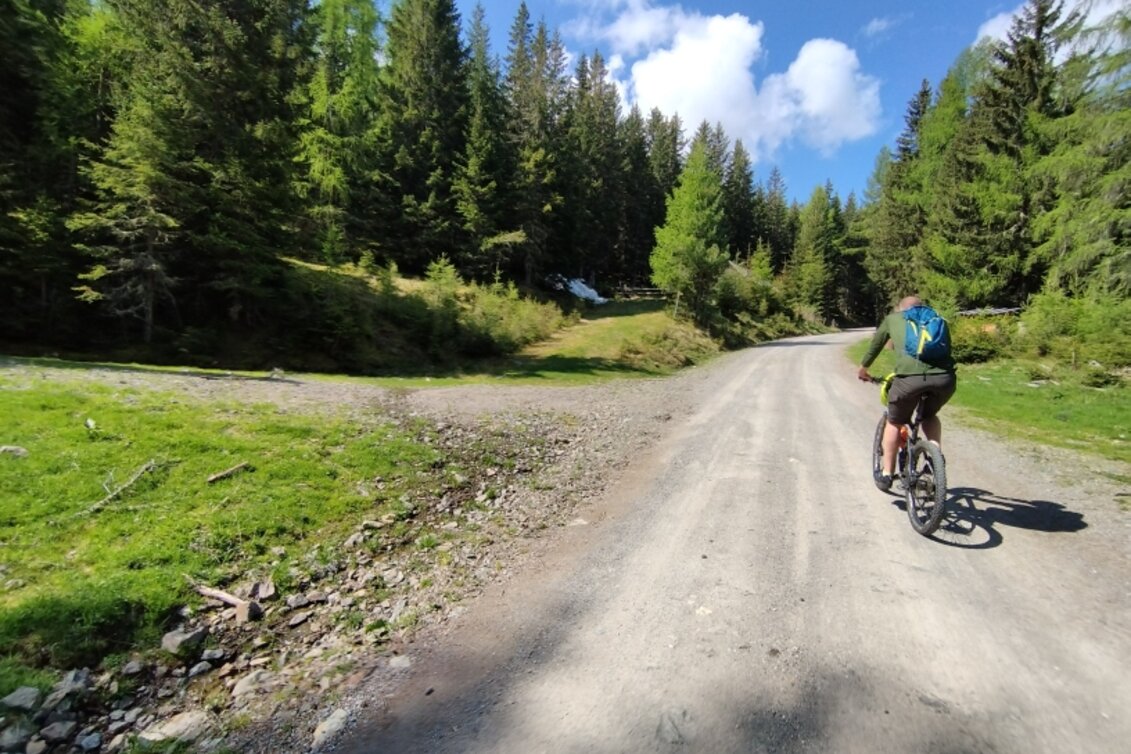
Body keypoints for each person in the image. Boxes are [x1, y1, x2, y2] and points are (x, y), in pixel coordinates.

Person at [857, 296, 957, 491]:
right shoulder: (937, 319)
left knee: (895, 421)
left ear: (901, 308)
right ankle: (934, 455)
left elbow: (875, 346)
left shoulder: (894, 319)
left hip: (909, 380)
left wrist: (863, 370)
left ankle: (886, 474)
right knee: (929, 415)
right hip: (944, 379)